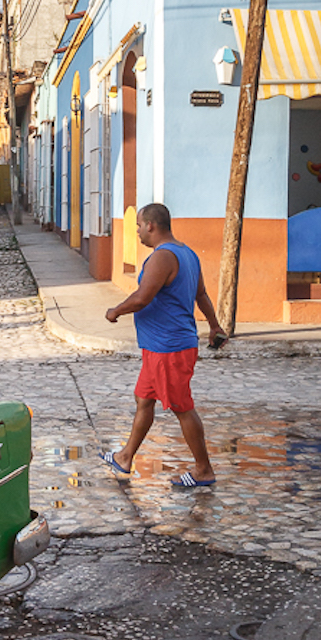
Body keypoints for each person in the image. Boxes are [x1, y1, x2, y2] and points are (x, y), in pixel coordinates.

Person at [101, 202, 226, 489]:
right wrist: (214, 326)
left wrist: (116, 310)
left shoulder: (163, 257)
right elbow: (202, 295)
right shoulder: (187, 253)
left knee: (183, 407)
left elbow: (143, 297)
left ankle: (203, 470)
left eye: (138, 226)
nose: (137, 232)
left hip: (169, 348)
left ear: (151, 226)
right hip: (159, 347)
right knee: (144, 399)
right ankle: (124, 457)